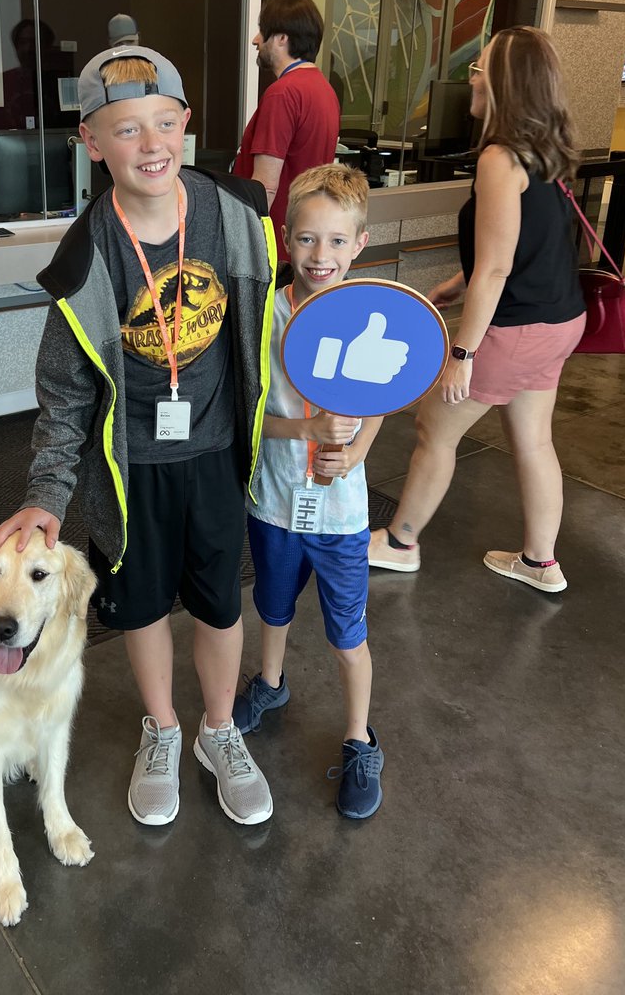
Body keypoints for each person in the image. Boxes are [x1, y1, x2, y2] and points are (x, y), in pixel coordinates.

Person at [0, 45, 277, 827]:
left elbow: (279, 331)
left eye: (163, 124)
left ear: (186, 124)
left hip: (216, 453)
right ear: (91, 142)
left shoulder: (238, 219)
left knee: (221, 604)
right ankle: (164, 728)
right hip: (130, 468)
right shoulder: (87, 254)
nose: (150, 145)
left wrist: (329, 412)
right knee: (142, 604)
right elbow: (65, 393)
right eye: (124, 130)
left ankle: (220, 731)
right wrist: (47, 492)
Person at [369, 26, 587, 595]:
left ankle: (399, 543)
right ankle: (541, 562)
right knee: (535, 439)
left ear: (505, 83)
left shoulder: (499, 157)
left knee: (433, 430)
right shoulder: (547, 150)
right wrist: (453, 283)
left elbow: (497, 267)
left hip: (515, 329)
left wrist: (462, 353)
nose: (471, 73)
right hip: (561, 320)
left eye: (481, 65)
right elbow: (518, 243)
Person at [232, 163, 386, 819]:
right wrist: (307, 427)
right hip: (273, 501)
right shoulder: (265, 316)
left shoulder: (369, 317)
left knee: (348, 633)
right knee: (272, 605)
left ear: (360, 243)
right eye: (305, 239)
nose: (319, 256)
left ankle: (359, 737)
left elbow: (379, 399)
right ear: (284, 237)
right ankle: (270, 681)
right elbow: (251, 413)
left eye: (335, 241)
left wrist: (352, 451)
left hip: (342, 515)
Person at [233, 0, 341, 260]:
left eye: (263, 32)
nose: (255, 40)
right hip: (302, 238)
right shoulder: (325, 90)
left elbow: (265, 187)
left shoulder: (282, 93)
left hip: (272, 246)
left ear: (282, 38)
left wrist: (242, 247)